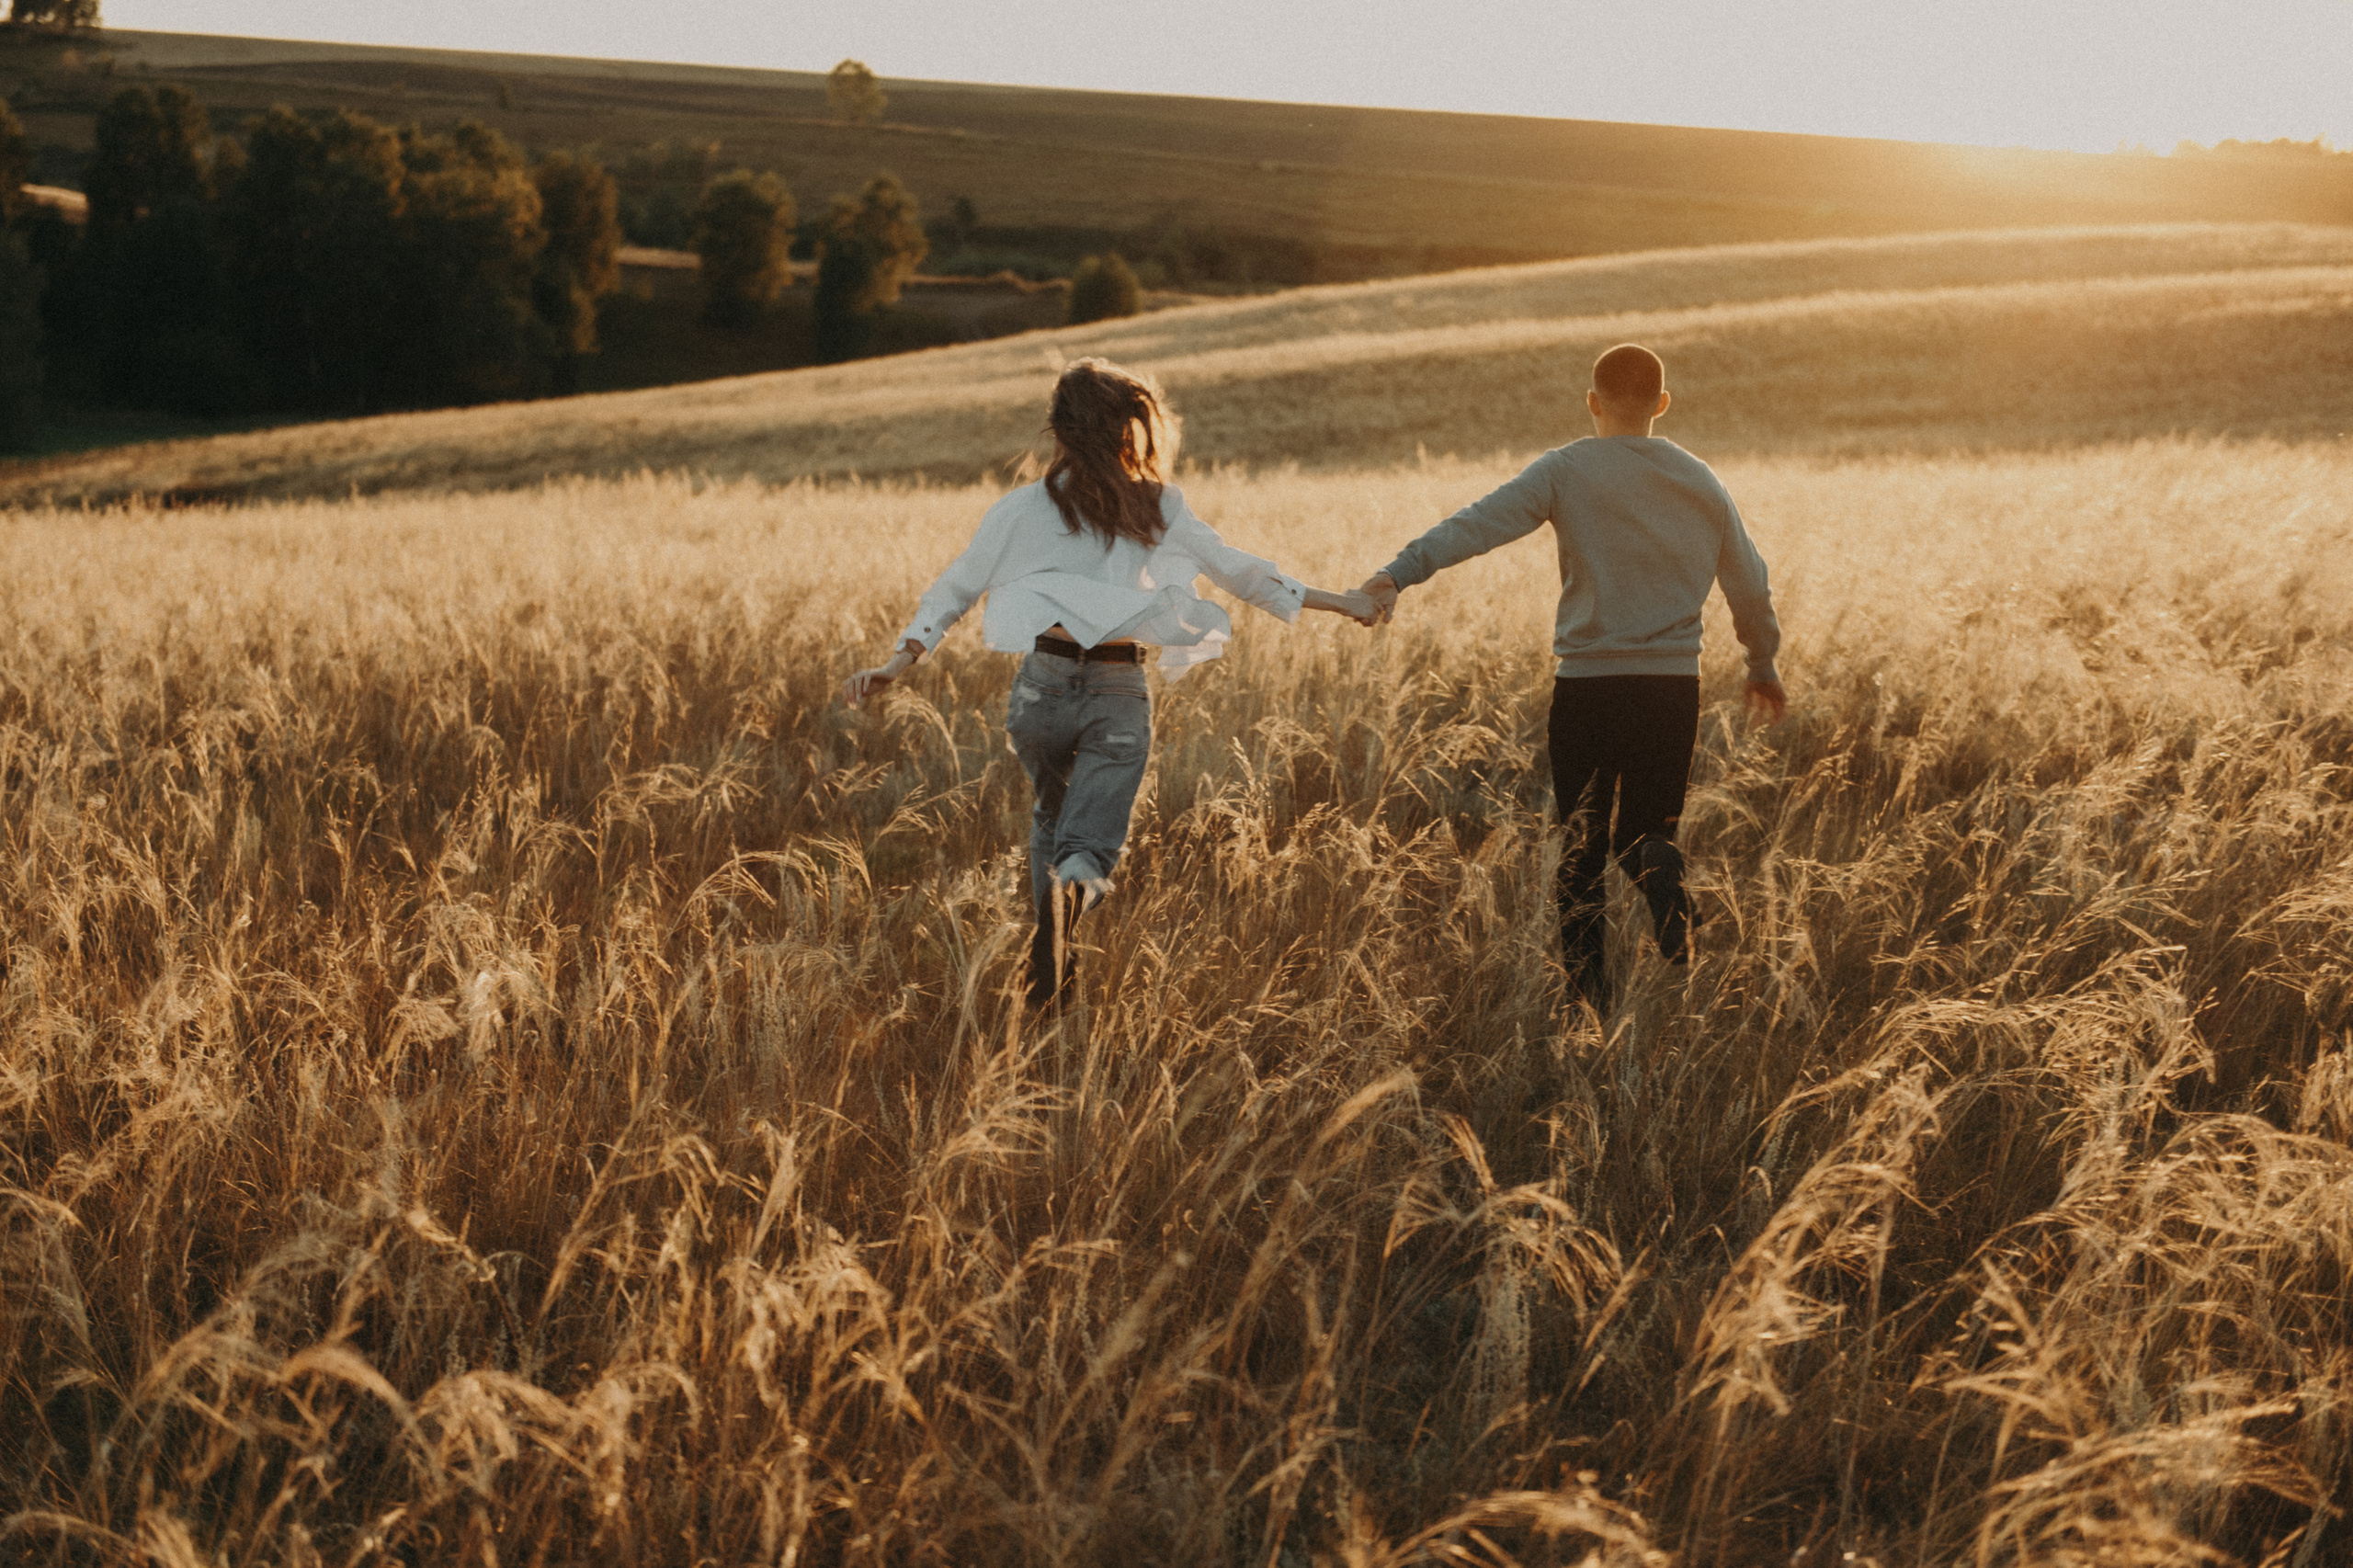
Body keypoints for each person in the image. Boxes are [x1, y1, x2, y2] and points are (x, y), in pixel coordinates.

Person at [841, 358, 1379, 1010]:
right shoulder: (1157, 505)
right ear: (1129, 427)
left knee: (1051, 813)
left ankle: (1052, 963)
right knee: (1089, 844)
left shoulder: (1017, 510)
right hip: (1118, 688)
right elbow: (1244, 574)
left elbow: (952, 591)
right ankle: (1067, 907)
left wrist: (897, 664)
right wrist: (1345, 603)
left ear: (1058, 429)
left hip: (1041, 684)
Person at [1358, 344, 1785, 1016]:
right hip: (1673, 686)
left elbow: (1476, 524)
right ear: (1662, 404)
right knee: (1646, 831)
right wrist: (1762, 662)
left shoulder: (1565, 470)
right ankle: (1658, 868)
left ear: (1592, 402)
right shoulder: (1701, 480)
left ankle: (1590, 1002)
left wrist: (1398, 572)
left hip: (1587, 685)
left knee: (1582, 846)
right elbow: (1750, 584)